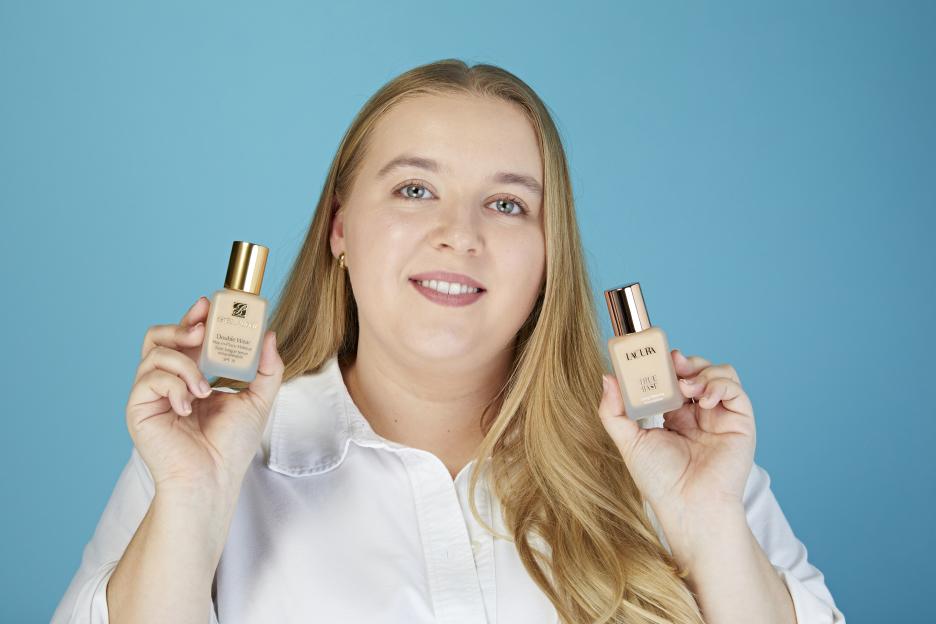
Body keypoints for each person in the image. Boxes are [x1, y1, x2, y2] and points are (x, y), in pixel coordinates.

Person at [52, 59, 845, 624]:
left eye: (507, 204)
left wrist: (708, 521)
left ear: (549, 257)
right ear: (340, 228)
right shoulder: (202, 456)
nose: (458, 234)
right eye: (415, 189)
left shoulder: (679, 460)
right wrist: (193, 501)